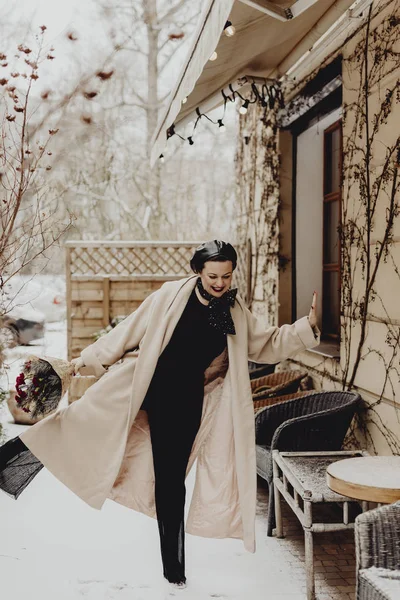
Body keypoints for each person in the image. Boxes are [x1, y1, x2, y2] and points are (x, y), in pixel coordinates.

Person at [0, 240, 319, 590]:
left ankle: (174, 568)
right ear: (198, 271)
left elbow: (268, 343)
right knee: (76, 422)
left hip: (184, 402)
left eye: (226, 276)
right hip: (139, 385)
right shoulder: (169, 295)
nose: (219, 283)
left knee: (170, 481)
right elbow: (127, 332)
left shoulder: (235, 310)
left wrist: (307, 327)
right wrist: (84, 362)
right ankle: (7, 458)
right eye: (212, 275)